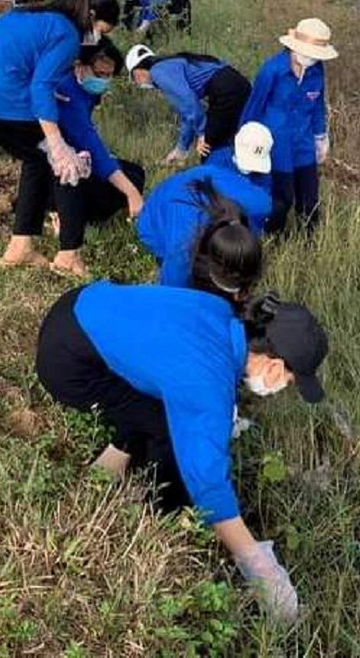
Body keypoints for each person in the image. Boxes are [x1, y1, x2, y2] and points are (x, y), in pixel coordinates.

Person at [35, 266, 327, 626]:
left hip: (81, 304)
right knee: (170, 436)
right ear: (274, 365)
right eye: (290, 380)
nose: (285, 387)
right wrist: (261, 567)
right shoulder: (207, 383)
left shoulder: (221, 316)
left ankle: (103, 473)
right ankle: (168, 521)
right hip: (69, 361)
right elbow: (209, 485)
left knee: (160, 410)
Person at [0, 0, 120, 269]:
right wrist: (57, 141)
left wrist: (48, 100)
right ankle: (69, 254)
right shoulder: (68, 33)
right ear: (91, 16)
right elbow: (40, 88)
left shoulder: (34, 13)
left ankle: (20, 246)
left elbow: (23, 64)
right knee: (66, 161)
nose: (99, 39)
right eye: (101, 31)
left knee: (36, 159)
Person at [48, 38, 146, 276]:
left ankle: (69, 211)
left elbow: (89, 139)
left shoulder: (84, 89)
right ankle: (64, 217)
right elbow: (91, 145)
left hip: (77, 156)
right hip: (57, 168)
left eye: (109, 75)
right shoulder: (67, 93)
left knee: (135, 173)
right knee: (120, 186)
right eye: (100, 73)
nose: (104, 81)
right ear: (80, 65)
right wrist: (131, 194)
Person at [137, 123, 274, 289]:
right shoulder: (189, 214)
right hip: (155, 229)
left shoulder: (245, 189)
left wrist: (242, 251)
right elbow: (176, 271)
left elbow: (261, 205)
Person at [241, 18, 338, 234]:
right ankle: (273, 237)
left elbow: (317, 105)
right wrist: (244, 141)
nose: (312, 59)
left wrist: (321, 137)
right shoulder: (272, 70)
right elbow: (253, 107)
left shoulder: (317, 70)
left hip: (303, 144)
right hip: (276, 146)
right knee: (281, 199)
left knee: (309, 199)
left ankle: (310, 241)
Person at [125, 44, 253, 165]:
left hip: (226, 90)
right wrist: (181, 149)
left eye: (135, 79)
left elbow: (189, 103)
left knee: (208, 149)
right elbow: (187, 114)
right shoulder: (169, 65)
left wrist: (203, 134)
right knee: (229, 140)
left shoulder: (157, 72)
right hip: (235, 84)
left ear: (137, 71)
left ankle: (218, 182)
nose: (138, 83)